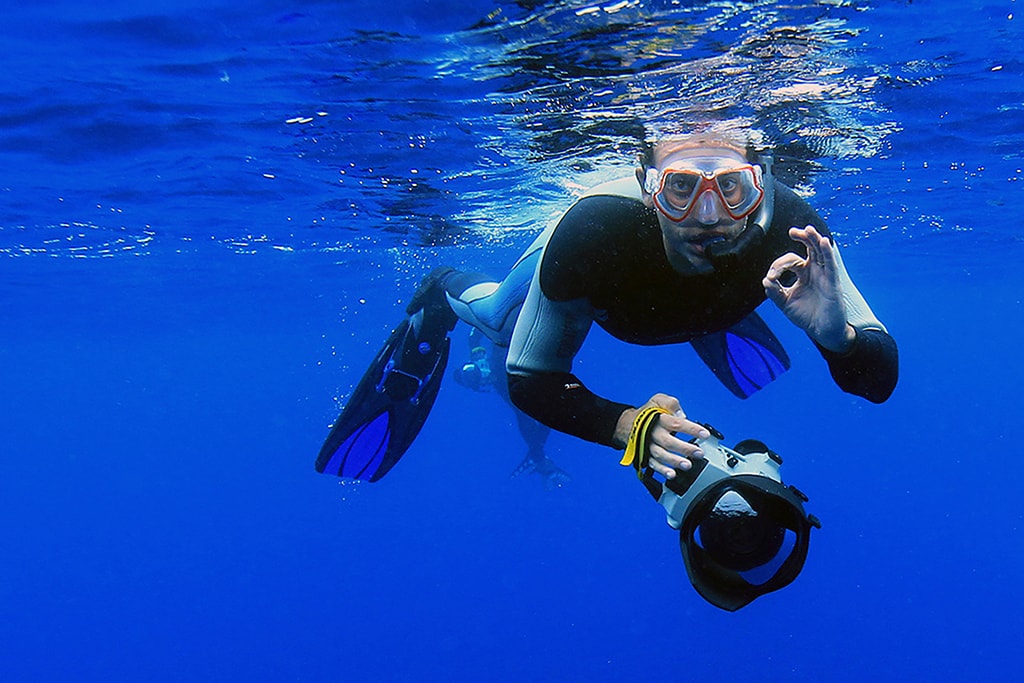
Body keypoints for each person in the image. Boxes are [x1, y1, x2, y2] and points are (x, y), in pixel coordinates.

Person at [433, 133, 897, 481]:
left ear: (761, 187)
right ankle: (442, 284)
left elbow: (878, 384)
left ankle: (704, 316)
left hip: (683, 310)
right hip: (589, 269)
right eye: (680, 188)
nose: (709, 216)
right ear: (647, 185)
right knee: (497, 320)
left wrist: (839, 341)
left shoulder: (795, 233)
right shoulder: (592, 235)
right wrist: (628, 426)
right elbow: (530, 379)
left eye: (732, 187)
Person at [451, 328, 570, 489]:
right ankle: (541, 461)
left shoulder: (500, 370)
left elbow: (529, 416)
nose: (485, 375)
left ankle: (540, 459)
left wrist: (537, 451)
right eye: (479, 379)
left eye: (479, 373)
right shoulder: (503, 384)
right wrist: (537, 451)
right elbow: (526, 416)